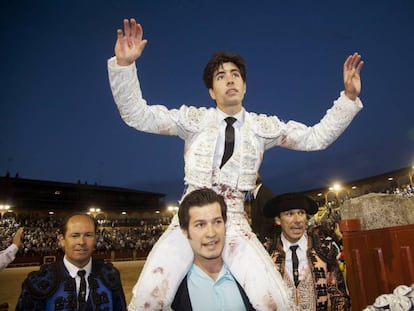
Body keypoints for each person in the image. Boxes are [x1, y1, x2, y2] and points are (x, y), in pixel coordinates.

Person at [107, 18, 363, 310]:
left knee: (275, 300)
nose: (230, 79)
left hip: (235, 221)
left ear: (244, 85)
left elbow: (315, 138)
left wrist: (349, 98)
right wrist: (124, 67)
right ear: (211, 92)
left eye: (235, 75)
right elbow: (137, 115)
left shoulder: (262, 127)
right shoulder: (193, 120)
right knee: (148, 298)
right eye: (220, 76)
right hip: (190, 220)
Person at [16, 214, 127, 311]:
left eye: (88, 235)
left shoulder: (111, 275)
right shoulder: (37, 281)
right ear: (62, 240)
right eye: (75, 236)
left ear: (95, 239)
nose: (82, 242)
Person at [263, 192, 350, 311]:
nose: (297, 220)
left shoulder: (324, 249)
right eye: (289, 214)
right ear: (278, 220)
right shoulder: (265, 254)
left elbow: (339, 297)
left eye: (301, 213)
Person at [171, 188, 255, 310]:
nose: (211, 233)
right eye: (200, 224)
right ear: (185, 232)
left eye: (217, 222)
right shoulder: (174, 289)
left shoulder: (248, 275)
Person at [249, 174, 276, 243]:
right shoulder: (255, 196)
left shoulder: (264, 193)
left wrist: (261, 238)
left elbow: (268, 218)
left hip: (267, 239)